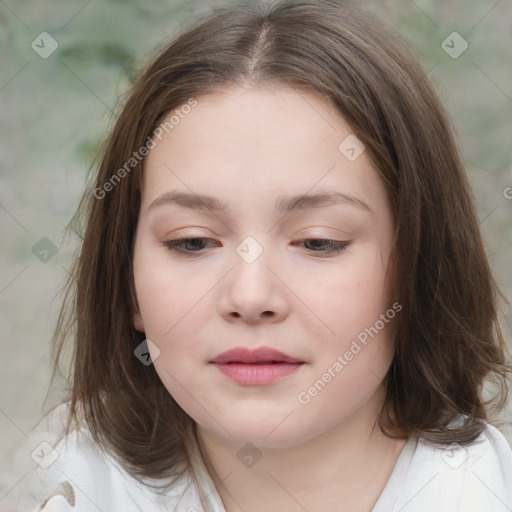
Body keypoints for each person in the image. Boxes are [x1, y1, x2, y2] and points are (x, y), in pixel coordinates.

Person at [16, 0, 512, 510]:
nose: (250, 297)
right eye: (193, 241)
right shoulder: (65, 485)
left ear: (419, 269)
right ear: (127, 282)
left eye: (319, 242)